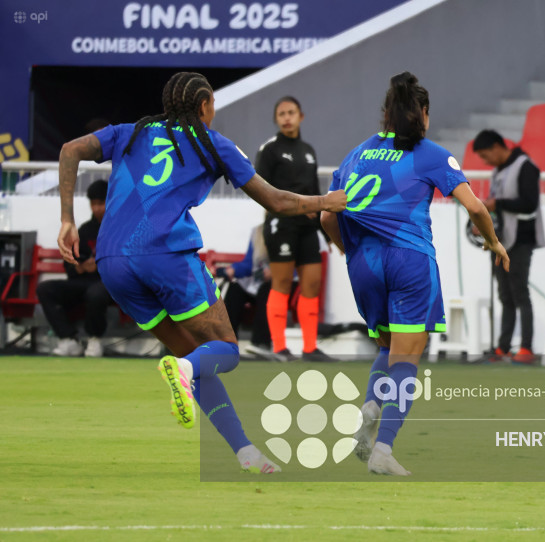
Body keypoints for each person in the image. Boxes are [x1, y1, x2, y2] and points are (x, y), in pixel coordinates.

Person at [57, 71, 347, 474]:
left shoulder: (131, 132)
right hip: (163, 255)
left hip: (111, 262)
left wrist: (67, 221)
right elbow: (278, 202)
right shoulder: (212, 142)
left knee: (192, 357)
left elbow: (70, 149)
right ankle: (185, 372)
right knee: (224, 351)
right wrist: (327, 200)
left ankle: (246, 452)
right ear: (205, 104)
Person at [321, 72, 509, 476]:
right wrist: (493, 241)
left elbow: (326, 215)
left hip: (363, 264)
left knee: (389, 346)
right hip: (409, 259)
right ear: (422, 113)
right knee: (408, 357)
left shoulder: (357, 154)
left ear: (386, 114)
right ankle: (383, 450)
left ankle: (371, 407)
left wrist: (346, 250)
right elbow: (475, 207)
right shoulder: (431, 154)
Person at [255, 97, 331, 362]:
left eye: (291, 112)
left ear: (301, 116)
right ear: (276, 119)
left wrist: (326, 230)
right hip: (281, 224)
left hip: (308, 226)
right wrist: (294, 206)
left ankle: (309, 348)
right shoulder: (269, 150)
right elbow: (260, 191)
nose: (287, 117)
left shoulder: (309, 150)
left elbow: (316, 193)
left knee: (312, 283)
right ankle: (279, 347)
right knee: (282, 283)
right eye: (282, 113)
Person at [472, 129, 544, 364]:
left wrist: (496, 204)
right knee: (505, 295)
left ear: (496, 147)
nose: (485, 161)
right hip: (500, 241)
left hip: (521, 240)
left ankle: (526, 347)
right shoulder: (499, 171)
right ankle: (503, 346)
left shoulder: (526, 166)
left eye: (485, 155)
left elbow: (529, 203)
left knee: (520, 293)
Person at [38, 179, 114, 357]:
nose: (96, 209)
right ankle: (68, 339)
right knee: (45, 289)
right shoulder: (85, 230)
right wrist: (80, 268)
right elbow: (70, 262)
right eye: (93, 204)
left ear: (110, 201)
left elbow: (127, 262)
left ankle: (94, 339)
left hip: (108, 284)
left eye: (100, 203)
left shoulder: (119, 228)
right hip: (82, 282)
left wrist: (101, 265)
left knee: (96, 293)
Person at [214, 216, 275, 360]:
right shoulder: (258, 231)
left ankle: (261, 344)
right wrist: (231, 270)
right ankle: (228, 343)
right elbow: (249, 265)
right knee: (235, 289)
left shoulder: (292, 230)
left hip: (277, 282)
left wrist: (276, 272)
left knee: (266, 290)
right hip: (257, 279)